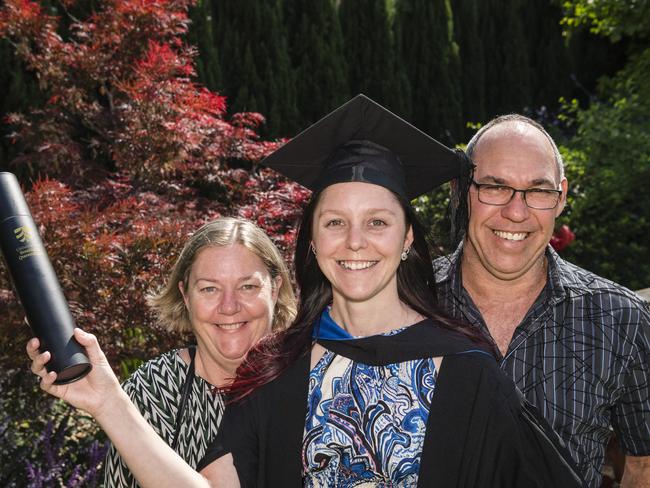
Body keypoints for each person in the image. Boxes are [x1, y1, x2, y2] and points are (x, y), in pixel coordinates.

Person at [28, 96, 584, 487]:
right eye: (335, 222)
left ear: (408, 236)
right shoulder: (279, 368)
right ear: (312, 242)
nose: (356, 242)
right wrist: (106, 401)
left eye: (378, 222)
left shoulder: (465, 365)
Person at [435, 114, 650, 487]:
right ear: (459, 190)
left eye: (538, 191)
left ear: (561, 197)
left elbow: (644, 463)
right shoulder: (409, 303)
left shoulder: (621, 319)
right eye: (494, 186)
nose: (516, 213)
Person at [102, 217, 296, 486]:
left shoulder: (312, 382)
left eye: (247, 286)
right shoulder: (155, 389)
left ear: (274, 290)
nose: (229, 306)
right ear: (185, 295)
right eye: (209, 289)